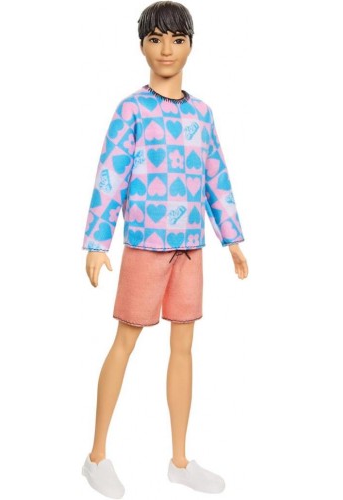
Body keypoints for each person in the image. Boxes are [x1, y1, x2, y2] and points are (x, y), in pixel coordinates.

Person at [81, 2, 249, 497]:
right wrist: (96, 242)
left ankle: (179, 461)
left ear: (191, 45)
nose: (166, 50)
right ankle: (96, 456)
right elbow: (110, 175)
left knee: (184, 348)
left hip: (190, 249)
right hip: (145, 246)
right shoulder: (131, 110)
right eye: (155, 39)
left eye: (177, 39)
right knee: (125, 342)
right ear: (142, 46)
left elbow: (216, 176)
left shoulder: (202, 114)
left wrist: (232, 238)